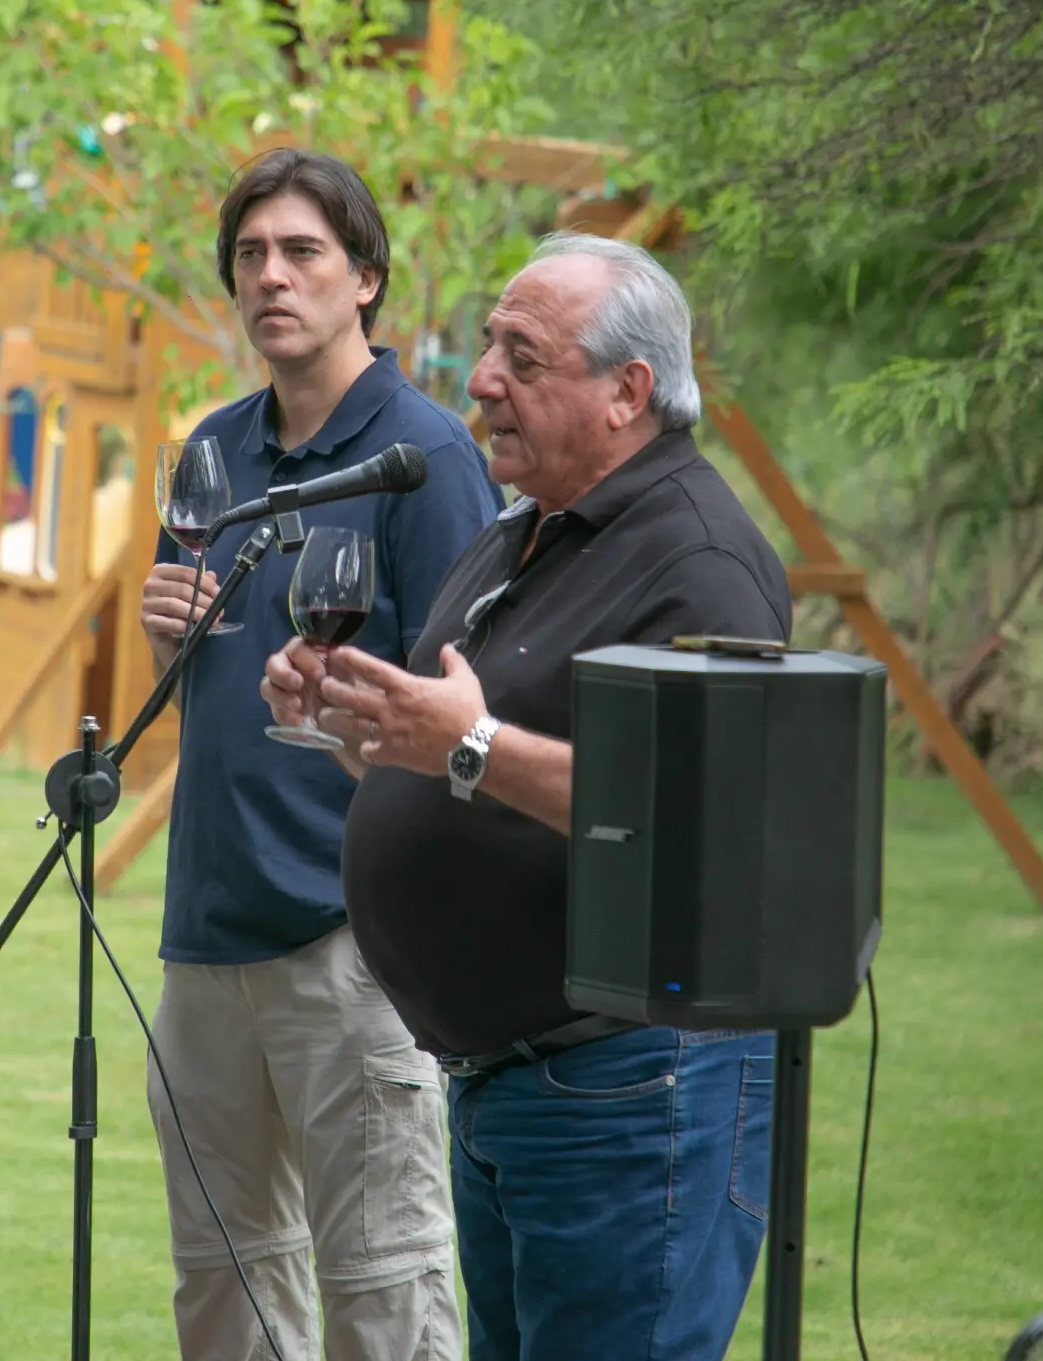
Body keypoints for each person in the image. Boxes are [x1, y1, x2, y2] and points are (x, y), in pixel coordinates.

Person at [261, 231, 793, 1361]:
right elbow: (466, 760)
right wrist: (365, 728)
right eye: (491, 346)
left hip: (632, 1091)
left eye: (523, 356)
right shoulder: (527, 531)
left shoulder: (698, 557)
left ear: (626, 392)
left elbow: (697, 816)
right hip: (514, 1085)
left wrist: (465, 744)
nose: (482, 379)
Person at [139, 149, 500, 1361]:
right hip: (206, 933)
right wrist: (166, 643)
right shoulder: (214, 451)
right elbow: (210, 701)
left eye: (302, 252)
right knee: (224, 1293)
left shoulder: (427, 457)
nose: (270, 277)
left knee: (384, 1296)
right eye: (250, 255)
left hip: (353, 942)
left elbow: (466, 704)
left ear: (366, 282)